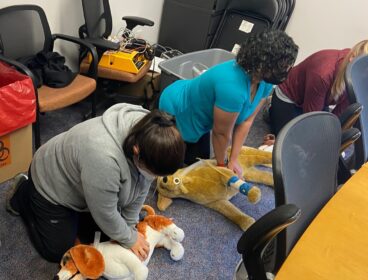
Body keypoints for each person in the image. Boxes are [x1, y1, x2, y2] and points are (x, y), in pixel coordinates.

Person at [5, 103, 185, 263]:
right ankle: (24, 194)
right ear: (136, 151)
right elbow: (105, 212)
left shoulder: (153, 129)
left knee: (106, 235)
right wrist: (129, 238)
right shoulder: (103, 158)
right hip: (50, 184)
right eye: (154, 173)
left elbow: (141, 183)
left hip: (85, 181)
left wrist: (131, 227)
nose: (153, 179)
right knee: (58, 251)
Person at [159, 30, 298, 177]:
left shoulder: (265, 82)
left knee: (200, 167)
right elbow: (220, 133)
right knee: (171, 169)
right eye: (283, 65)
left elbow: (246, 121)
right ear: (263, 63)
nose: (287, 70)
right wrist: (222, 165)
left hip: (203, 116)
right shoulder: (232, 87)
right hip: (177, 109)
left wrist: (233, 159)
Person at [268, 40, 368, 137]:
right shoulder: (324, 73)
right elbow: (310, 117)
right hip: (289, 96)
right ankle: (272, 111)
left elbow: (339, 115)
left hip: (319, 100)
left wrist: (329, 132)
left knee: (320, 135)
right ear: (353, 58)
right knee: (294, 141)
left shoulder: (359, 75)